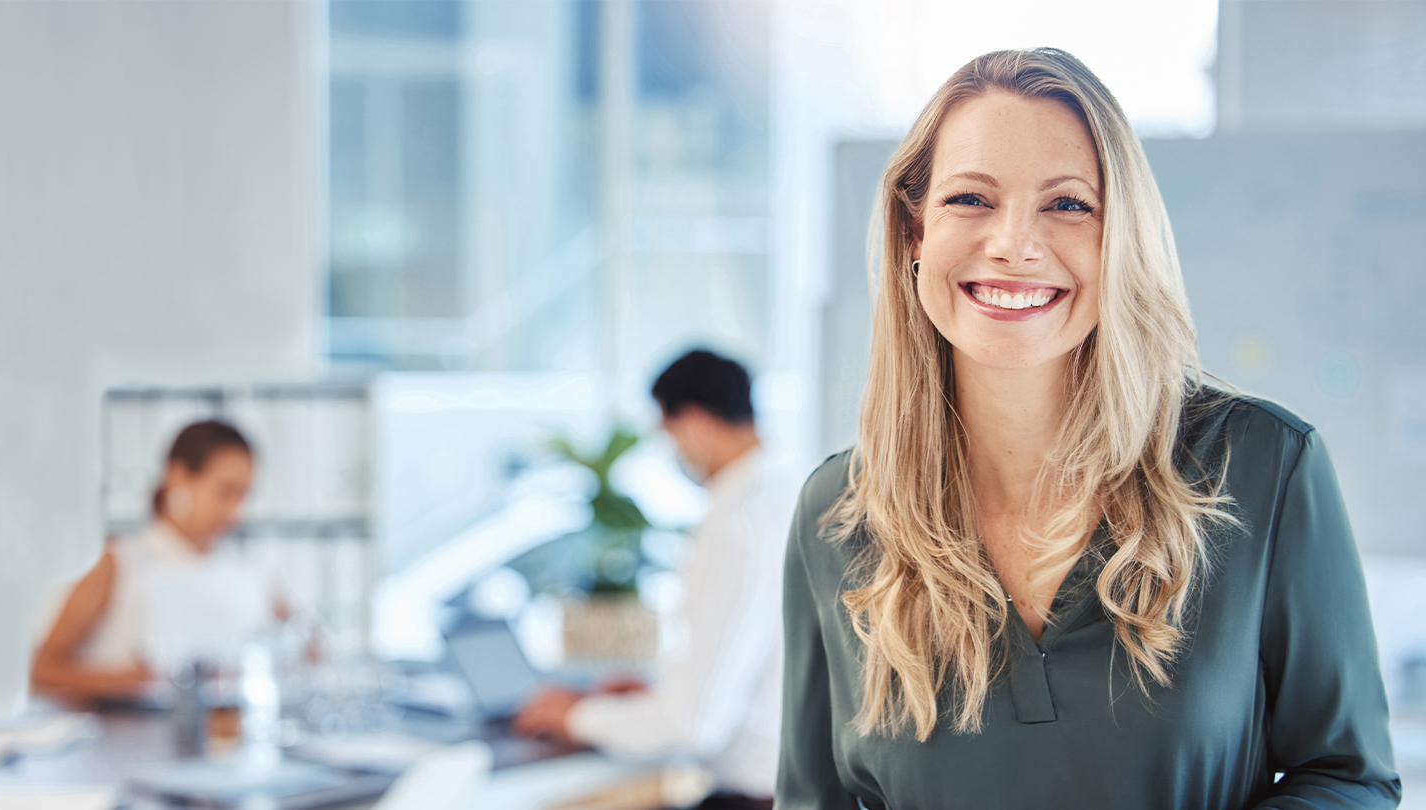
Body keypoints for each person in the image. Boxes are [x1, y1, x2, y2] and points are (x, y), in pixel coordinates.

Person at [776, 49, 1400, 809]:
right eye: (971, 198)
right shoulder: (835, 515)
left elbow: (1347, 777)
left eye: (1068, 204)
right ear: (914, 231)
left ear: (1121, 239)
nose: (1013, 243)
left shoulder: (1264, 467)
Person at [515, 349, 800, 809]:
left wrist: (576, 716)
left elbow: (695, 723)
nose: (674, 452)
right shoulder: (792, 495)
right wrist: (656, 691)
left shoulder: (735, 525)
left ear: (692, 423)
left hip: (753, 795)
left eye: (668, 435)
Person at [33, 419, 277, 705]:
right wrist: (125, 682)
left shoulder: (249, 570)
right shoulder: (118, 560)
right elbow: (43, 669)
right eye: (225, 492)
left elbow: (306, 646)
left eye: (245, 494)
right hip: (131, 741)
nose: (237, 511)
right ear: (177, 476)